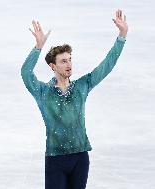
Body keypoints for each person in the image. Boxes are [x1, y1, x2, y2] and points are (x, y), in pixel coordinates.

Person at [21, 10, 128, 189]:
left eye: (70, 60)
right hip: (56, 158)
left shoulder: (81, 86)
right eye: (63, 61)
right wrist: (38, 47)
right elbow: (25, 73)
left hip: (80, 157)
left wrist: (122, 36)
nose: (69, 64)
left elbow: (107, 65)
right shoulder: (43, 91)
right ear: (52, 66)